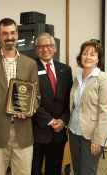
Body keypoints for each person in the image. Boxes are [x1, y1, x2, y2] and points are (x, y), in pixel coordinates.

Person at [0, 18, 41, 175]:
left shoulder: (30, 64)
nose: (9, 37)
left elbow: (36, 95)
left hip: (23, 130)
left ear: (17, 35)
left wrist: (30, 108)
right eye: (5, 33)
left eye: (12, 33)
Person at [68, 41, 107, 175]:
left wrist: (98, 140)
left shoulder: (104, 78)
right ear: (80, 57)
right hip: (74, 131)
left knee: (88, 171)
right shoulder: (77, 78)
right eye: (85, 54)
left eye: (93, 55)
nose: (88, 57)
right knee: (77, 170)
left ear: (98, 59)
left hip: (92, 135)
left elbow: (106, 111)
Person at [31, 33, 73, 175]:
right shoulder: (29, 68)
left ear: (55, 48)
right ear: (36, 49)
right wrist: (49, 120)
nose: (45, 49)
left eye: (48, 46)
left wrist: (63, 120)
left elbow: (70, 99)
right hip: (38, 130)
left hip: (59, 132)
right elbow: (31, 99)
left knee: (54, 171)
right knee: (34, 171)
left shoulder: (65, 70)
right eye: (41, 46)